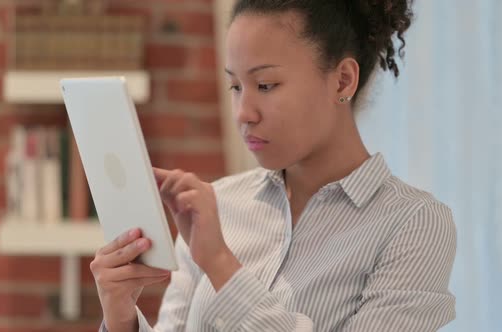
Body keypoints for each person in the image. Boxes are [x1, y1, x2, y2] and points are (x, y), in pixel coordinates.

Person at [91, 0, 457, 331]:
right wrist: (121, 317)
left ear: (342, 80)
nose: (243, 114)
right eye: (235, 86)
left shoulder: (414, 225)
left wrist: (221, 264)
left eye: (265, 85)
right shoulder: (216, 206)